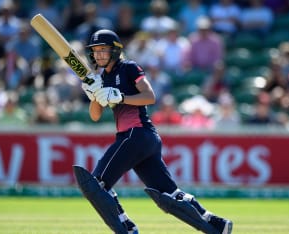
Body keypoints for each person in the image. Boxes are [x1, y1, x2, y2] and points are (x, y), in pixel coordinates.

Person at [75, 29, 233, 234]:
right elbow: (95, 116)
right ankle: (217, 224)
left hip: (136, 134)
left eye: (103, 50)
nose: (98, 55)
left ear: (115, 50)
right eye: (95, 51)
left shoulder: (129, 67)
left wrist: (120, 97)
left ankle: (127, 228)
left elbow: (150, 96)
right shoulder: (102, 77)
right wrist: (94, 94)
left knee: (96, 185)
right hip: (142, 139)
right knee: (168, 195)